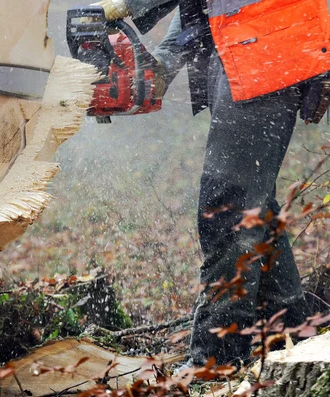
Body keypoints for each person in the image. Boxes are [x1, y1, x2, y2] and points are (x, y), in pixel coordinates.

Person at [90, 0, 327, 366]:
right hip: (243, 48)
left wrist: (123, 6)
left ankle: (215, 360)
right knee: (253, 204)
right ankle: (291, 336)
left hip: (269, 46)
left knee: (228, 209)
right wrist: (163, 64)